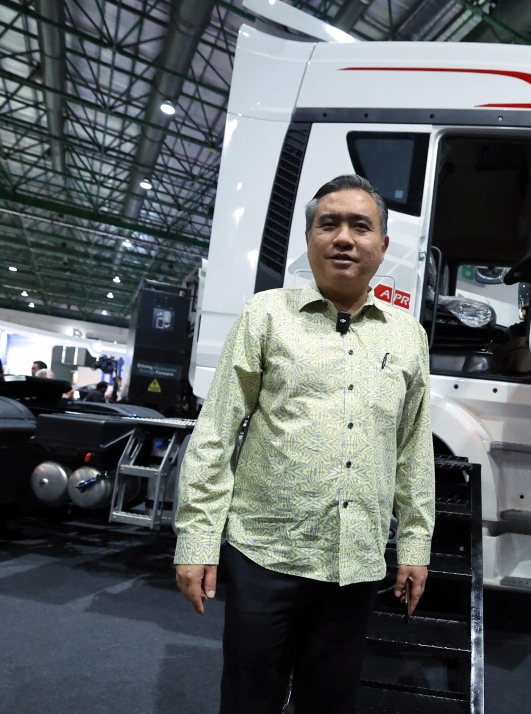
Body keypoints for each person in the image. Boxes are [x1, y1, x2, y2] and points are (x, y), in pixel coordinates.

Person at [173, 174, 435, 714]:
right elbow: (216, 435)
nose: (344, 238)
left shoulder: (408, 336)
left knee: (329, 704)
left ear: (382, 247)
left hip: (355, 564)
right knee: (250, 700)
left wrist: (414, 545)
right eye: (328, 224)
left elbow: (412, 450)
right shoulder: (265, 316)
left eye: (360, 226)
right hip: (266, 556)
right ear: (309, 238)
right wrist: (196, 543)